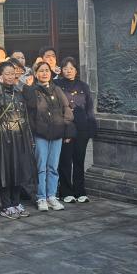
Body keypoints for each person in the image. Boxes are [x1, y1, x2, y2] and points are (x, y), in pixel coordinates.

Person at [24, 60, 75, 211]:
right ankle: (41, 197)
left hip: (57, 133)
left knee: (53, 166)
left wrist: (66, 128)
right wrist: (29, 87)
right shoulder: (33, 90)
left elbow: (67, 109)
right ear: (35, 73)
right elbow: (30, 107)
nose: (45, 73)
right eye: (41, 70)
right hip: (41, 134)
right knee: (41, 167)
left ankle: (51, 196)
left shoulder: (56, 89)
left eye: (47, 70)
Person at [0, 61, 37, 219]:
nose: (10, 77)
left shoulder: (19, 92)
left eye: (12, 73)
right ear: (0, 75)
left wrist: (24, 85)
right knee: (6, 170)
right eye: (7, 74)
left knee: (19, 168)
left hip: (20, 134)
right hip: (4, 135)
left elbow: (31, 105)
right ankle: (6, 205)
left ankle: (16, 202)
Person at [55, 57, 97, 203]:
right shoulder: (57, 84)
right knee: (65, 160)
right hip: (66, 128)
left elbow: (89, 108)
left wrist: (91, 127)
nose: (68, 71)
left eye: (71, 68)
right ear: (61, 70)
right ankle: (66, 191)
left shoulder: (83, 86)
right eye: (65, 68)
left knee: (79, 160)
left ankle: (80, 191)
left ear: (76, 70)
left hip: (82, 128)